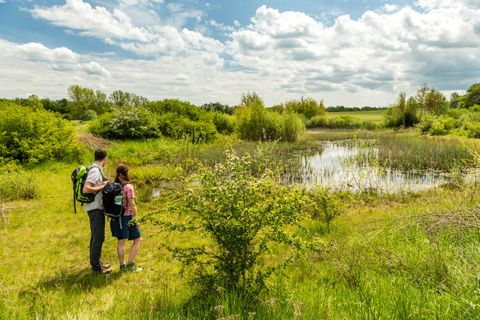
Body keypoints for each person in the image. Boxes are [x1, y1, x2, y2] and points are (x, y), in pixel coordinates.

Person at [83, 149, 111, 274]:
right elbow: (86, 189)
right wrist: (103, 186)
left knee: (95, 236)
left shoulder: (95, 169)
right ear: (104, 159)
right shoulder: (95, 170)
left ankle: (96, 263)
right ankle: (96, 267)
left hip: (94, 207)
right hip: (95, 208)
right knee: (98, 237)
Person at [111, 164, 142, 272]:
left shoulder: (114, 186)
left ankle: (122, 266)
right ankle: (130, 264)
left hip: (117, 218)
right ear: (126, 173)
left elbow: (116, 202)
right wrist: (136, 218)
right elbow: (132, 204)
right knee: (138, 239)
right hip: (128, 217)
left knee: (120, 242)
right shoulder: (128, 187)